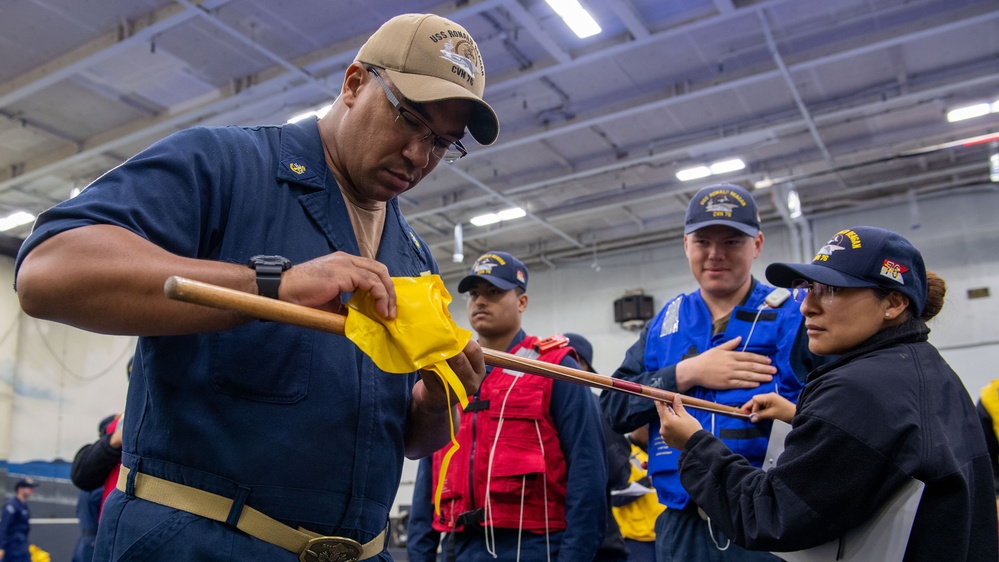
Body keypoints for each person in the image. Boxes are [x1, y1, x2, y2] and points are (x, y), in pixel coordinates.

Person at [14, 13, 496, 562]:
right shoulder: (227, 166)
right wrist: (273, 286)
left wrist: (436, 401)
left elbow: (406, 440)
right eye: (409, 119)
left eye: (442, 143)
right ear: (355, 83)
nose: (419, 155)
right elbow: (50, 270)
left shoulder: (411, 259)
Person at [655, 225, 999, 561]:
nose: (807, 306)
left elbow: (769, 516)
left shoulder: (856, 390)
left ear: (892, 303)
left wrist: (694, 445)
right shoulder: (930, 371)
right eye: (808, 289)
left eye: (831, 290)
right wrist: (801, 417)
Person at [601, 183, 826, 562]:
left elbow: (836, 415)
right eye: (703, 240)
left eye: (733, 242)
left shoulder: (797, 316)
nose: (715, 255)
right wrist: (685, 373)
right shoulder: (663, 325)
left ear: (757, 244)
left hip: (765, 521)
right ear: (685, 244)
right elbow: (613, 408)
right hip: (680, 524)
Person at [407, 252, 608, 561]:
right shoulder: (449, 374)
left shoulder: (554, 367)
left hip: (538, 547)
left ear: (522, 302)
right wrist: (419, 553)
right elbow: (429, 470)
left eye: (494, 292)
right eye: (474, 294)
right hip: (460, 547)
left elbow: (588, 468)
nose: (480, 301)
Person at [564, 332, 631, 562]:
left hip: (558, 535)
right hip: (599, 537)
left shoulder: (595, 407)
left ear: (578, 363)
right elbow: (620, 472)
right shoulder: (600, 407)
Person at [611, 425, 663, 562]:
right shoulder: (622, 452)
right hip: (635, 540)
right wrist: (647, 482)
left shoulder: (656, 452)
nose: (651, 433)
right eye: (648, 429)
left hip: (660, 536)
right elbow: (615, 495)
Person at [0, 478, 38, 562]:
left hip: (22, 547)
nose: (32, 490)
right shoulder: (11, 506)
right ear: (20, 489)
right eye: (29, 488)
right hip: (11, 549)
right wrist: (1, 548)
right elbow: (4, 527)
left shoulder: (24, 506)